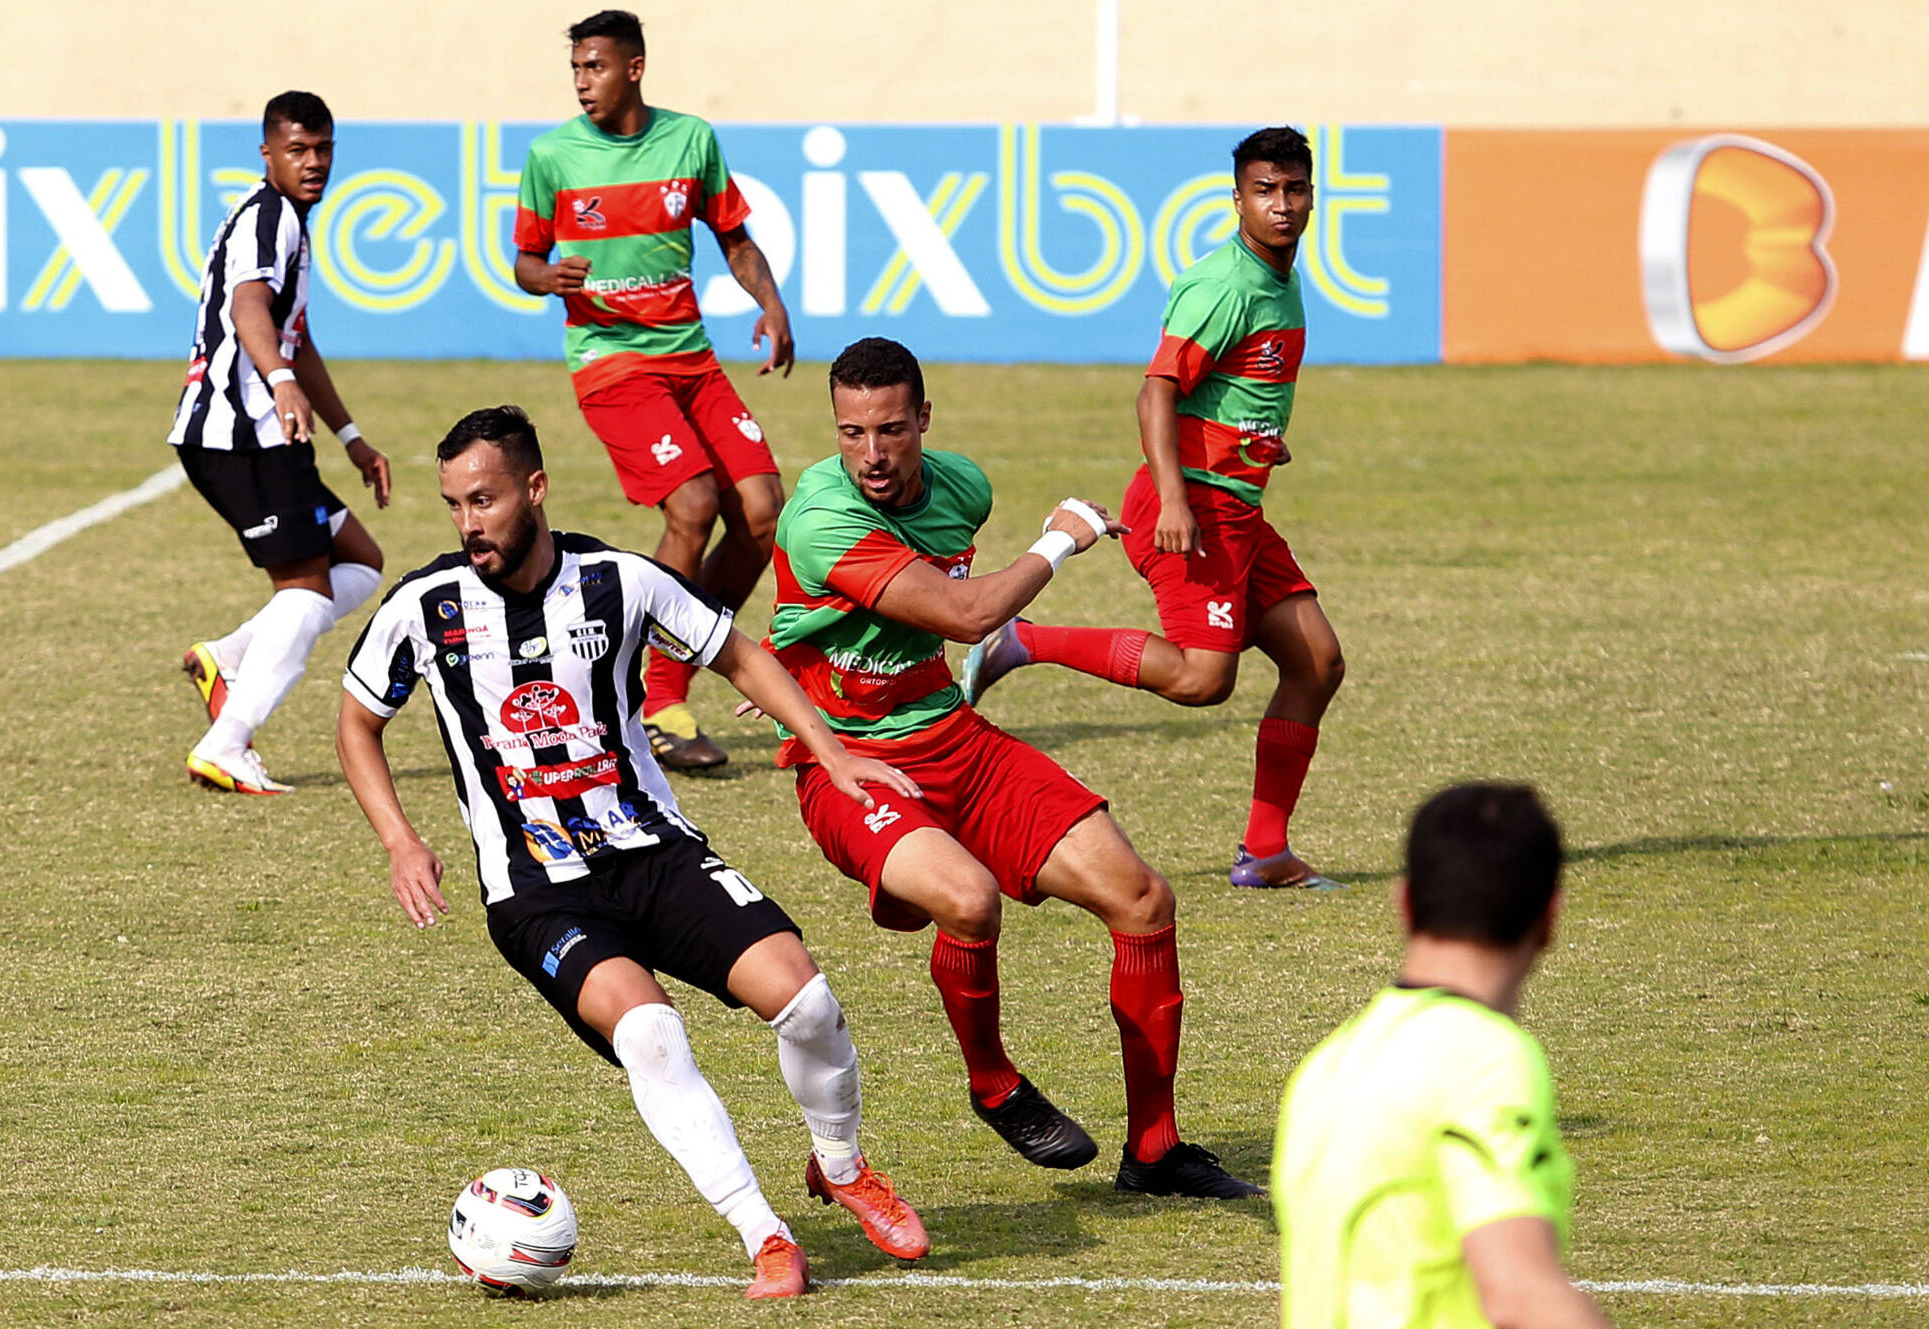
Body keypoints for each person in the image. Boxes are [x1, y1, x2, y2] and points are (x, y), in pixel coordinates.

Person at [335, 406, 928, 1300]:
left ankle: (839, 1167)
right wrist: (399, 839)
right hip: (536, 889)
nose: (469, 524)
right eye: (455, 504)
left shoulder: (621, 581)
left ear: (535, 488)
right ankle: (764, 1235)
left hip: (650, 851)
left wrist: (830, 747)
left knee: (806, 1003)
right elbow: (357, 720)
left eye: (485, 500)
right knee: (649, 1032)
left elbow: (738, 653)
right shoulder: (425, 605)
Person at [757, 337, 1259, 1198]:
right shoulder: (820, 513)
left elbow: (902, 599)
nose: (871, 454)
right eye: (849, 433)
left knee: (1141, 898)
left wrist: (812, 638)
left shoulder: (963, 487)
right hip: (852, 764)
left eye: (888, 429)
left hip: (954, 738)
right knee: (968, 898)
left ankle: (1156, 1149)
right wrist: (1059, 540)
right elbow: (963, 613)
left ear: (922, 419)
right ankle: (993, 1084)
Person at [962, 127, 1344, 890]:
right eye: (1264, 191)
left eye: (1294, 189)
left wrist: (1259, 437)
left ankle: (1265, 852)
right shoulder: (1225, 286)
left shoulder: (1279, 275)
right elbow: (1156, 391)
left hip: (1235, 502)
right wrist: (1173, 495)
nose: (1281, 205)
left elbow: (1232, 386)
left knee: (1316, 661)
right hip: (1194, 507)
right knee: (1205, 680)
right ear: (1236, 198)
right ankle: (1020, 640)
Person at [512, 8, 795, 773]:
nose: (581, 83)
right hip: (609, 360)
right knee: (694, 503)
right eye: (575, 69)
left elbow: (733, 237)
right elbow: (524, 262)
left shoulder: (690, 140)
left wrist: (771, 303)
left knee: (764, 514)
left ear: (633, 68)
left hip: (691, 360)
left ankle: (664, 682)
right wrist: (550, 277)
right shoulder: (552, 156)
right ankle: (656, 695)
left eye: (594, 67)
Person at [1273, 784, 1616, 1329]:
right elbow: (1519, 1293)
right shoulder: (1483, 1060)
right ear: (1549, 917)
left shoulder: (1326, 1067)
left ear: (1404, 904)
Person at [171, 90, 393, 795]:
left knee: (360, 559)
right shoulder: (270, 219)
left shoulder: (285, 220)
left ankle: (229, 655)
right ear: (267, 153)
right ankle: (226, 742)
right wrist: (278, 379)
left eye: (323, 149)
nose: (313, 162)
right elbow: (248, 307)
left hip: (261, 433)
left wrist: (352, 437)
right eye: (297, 150)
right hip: (243, 436)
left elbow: (298, 336)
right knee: (303, 590)